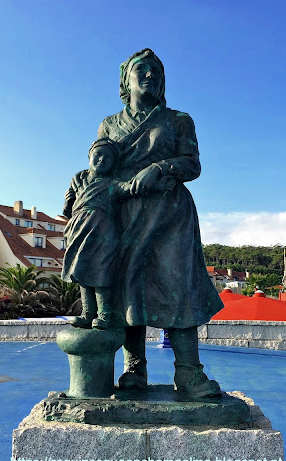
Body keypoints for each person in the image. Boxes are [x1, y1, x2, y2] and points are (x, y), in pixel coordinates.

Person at [97, 48, 224, 398]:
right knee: (128, 289)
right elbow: (99, 167)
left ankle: (188, 372)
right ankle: (134, 369)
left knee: (177, 286)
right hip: (125, 212)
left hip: (171, 214)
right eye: (142, 69)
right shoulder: (109, 124)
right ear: (127, 80)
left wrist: (161, 168)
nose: (149, 75)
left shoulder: (179, 120)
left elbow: (192, 164)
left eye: (156, 70)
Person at [62, 137, 175, 330]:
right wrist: (68, 201)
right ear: (89, 157)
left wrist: (159, 185)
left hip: (103, 231)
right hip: (78, 230)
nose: (102, 160)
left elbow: (132, 187)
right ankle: (88, 313)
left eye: (108, 157)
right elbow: (68, 205)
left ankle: (104, 315)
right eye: (98, 155)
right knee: (80, 270)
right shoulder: (79, 178)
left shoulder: (112, 183)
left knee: (100, 272)